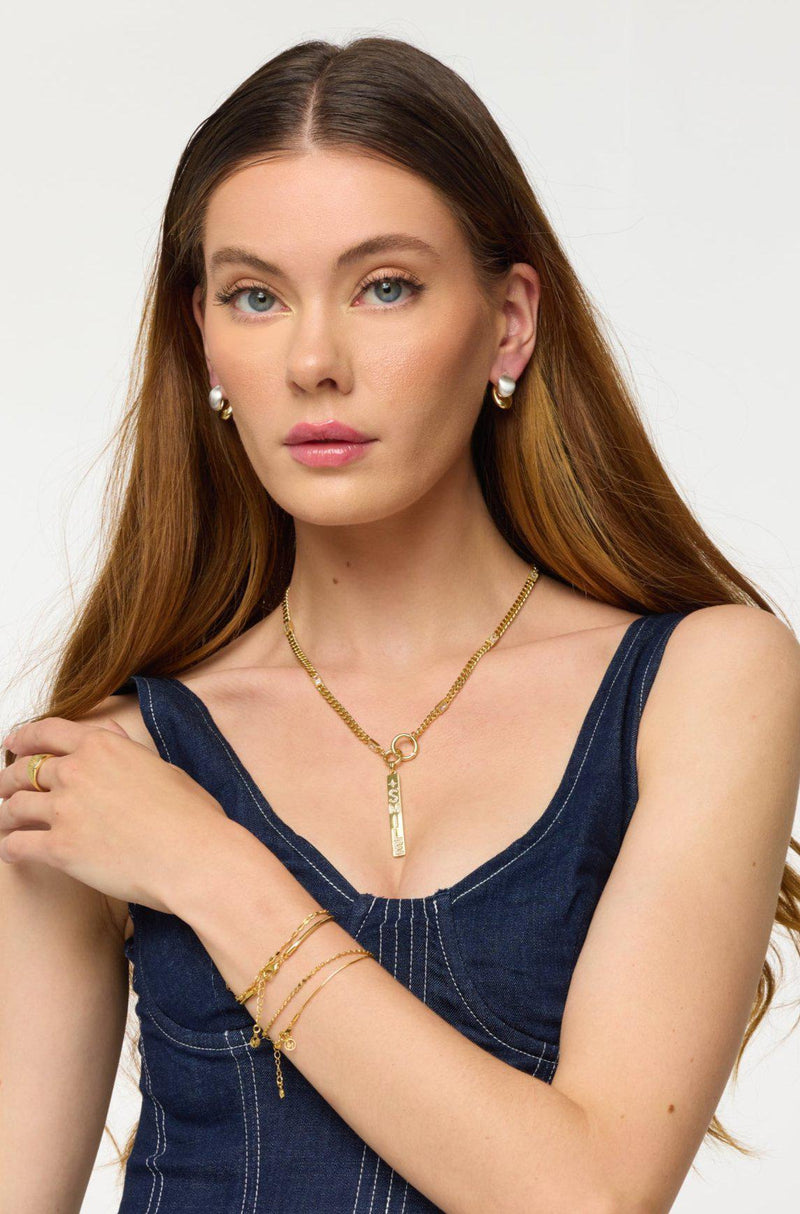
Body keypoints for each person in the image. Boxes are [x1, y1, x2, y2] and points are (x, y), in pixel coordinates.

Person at [1, 35, 799, 1214]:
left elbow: (587, 1195)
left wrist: (205, 864)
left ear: (508, 320)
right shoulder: (102, 770)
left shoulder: (701, 681)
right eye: (255, 295)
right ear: (203, 339)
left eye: (384, 285)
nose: (314, 360)